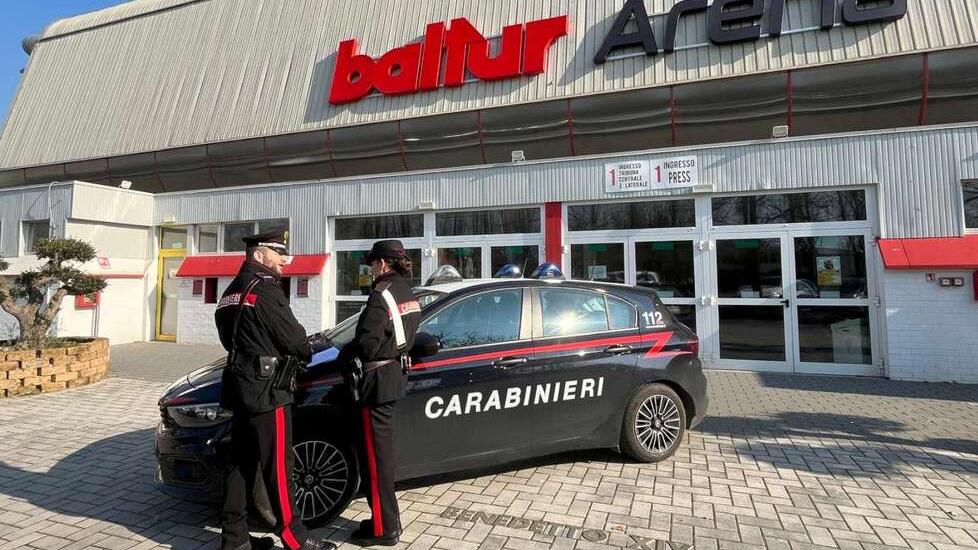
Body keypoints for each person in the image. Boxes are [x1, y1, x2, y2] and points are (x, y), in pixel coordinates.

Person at [214, 228, 334, 550]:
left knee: (240, 465)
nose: (284, 259)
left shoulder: (232, 290)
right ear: (258, 255)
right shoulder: (265, 289)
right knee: (279, 467)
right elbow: (294, 339)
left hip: (240, 389)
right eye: (278, 253)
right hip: (269, 392)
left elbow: (227, 337)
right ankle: (296, 540)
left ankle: (234, 540)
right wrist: (306, 351)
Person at [339, 239, 421, 547]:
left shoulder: (380, 295)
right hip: (392, 376)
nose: (371, 269)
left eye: (373, 264)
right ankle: (387, 519)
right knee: (383, 456)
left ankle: (383, 529)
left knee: (375, 460)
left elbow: (368, 343)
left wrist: (347, 353)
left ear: (383, 264)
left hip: (375, 382)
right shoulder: (406, 291)